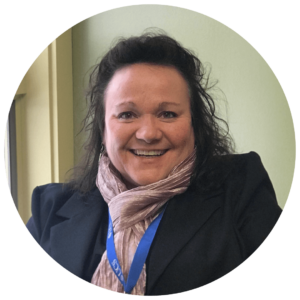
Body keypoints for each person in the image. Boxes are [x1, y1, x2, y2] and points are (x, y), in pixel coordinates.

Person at [25, 32, 282, 296]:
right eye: (127, 114)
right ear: (103, 129)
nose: (148, 133)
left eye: (167, 114)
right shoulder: (49, 209)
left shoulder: (241, 190)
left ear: (194, 124)